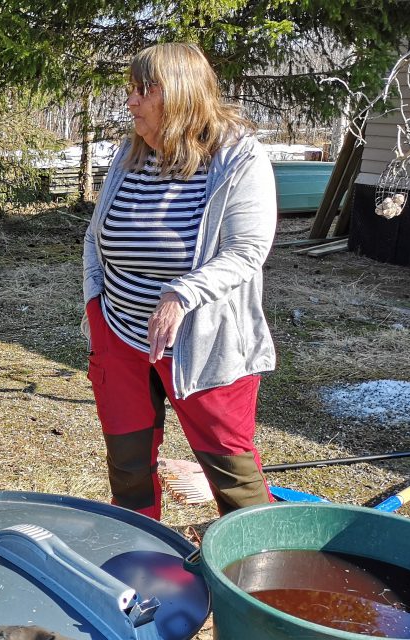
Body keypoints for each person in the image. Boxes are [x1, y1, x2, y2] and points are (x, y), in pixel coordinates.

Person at [82, 42, 277, 519]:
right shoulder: (130, 155)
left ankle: (260, 566)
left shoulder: (238, 158)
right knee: (127, 467)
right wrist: (94, 308)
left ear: (184, 95)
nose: (131, 102)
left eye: (145, 90)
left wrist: (180, 294)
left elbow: (247, 250)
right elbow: (95, 237)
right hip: (120, 333)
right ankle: (140, 552)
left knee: (230, 469)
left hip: (203, 341)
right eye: (131, 89)